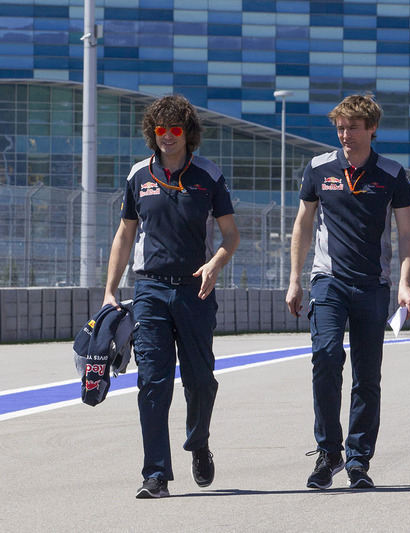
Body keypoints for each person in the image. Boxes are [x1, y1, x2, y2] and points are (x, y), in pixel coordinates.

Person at [103, 94, 240, 499]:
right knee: (152, 381)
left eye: (175, 129)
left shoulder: (208, 175)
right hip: (150, 289)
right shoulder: (137, 176)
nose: (167, 136)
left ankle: (198, 442)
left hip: (196, 288)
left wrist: (216, 262)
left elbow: (231, 235)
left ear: (188, 134)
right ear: (153, 132)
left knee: (200, 380)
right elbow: (125, 234)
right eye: (160, 129)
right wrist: (111, 289)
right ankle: (156, 474)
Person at [285, 92, 410, 490]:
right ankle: (329, 453)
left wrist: (406, 283)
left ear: (372, 128)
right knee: (325, 356)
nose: (345, 134)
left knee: (366, 375)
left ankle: (359, 460)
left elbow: (408, 235)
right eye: (340, 127)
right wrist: (294, 278)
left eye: (353, 128)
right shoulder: (318, 168)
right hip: (328, 279)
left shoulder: (393, 174)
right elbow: (303, 225)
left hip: (373, 285)